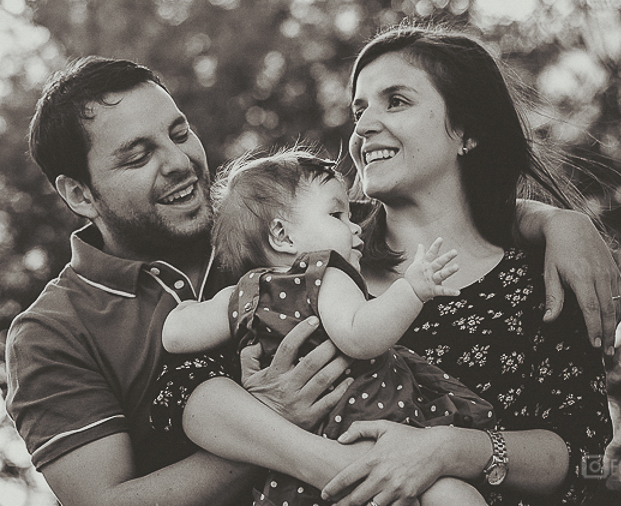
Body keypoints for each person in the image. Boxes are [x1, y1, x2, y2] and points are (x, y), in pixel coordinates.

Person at [4, 54, 621, 506]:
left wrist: (559, 221)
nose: (178, 163)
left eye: (179, 132)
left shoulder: (269, 235)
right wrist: (278, 428)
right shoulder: (54, 332)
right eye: (138, 156)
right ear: (78, 194)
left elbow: (434, 217)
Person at [161, 26, 614, 506]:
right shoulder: (292, 249)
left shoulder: (539, 278)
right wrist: (274, 421)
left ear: (467, 130)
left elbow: (582, 454)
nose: (363, 127)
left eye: (395, 102)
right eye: (359, 110)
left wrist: (447, 450)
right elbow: (179, 391)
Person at [160, 148, 493, 506]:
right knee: (456, 496)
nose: (355, 226)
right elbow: (361, 336)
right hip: (366, 432)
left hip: (300, 467)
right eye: (337, 215)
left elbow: (175, 336)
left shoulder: (242, 294)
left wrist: (189, 306)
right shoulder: (326, 273)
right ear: (282, 235)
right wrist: (411, 291)